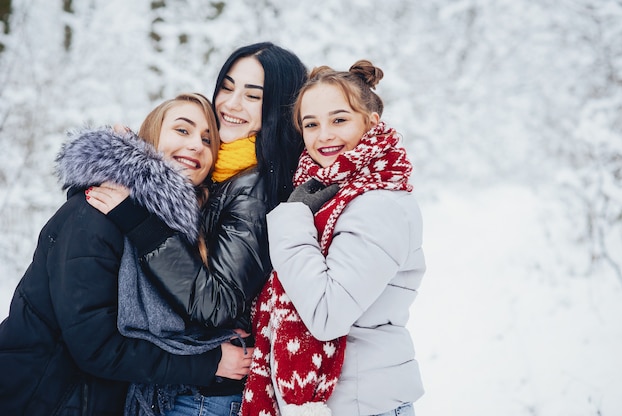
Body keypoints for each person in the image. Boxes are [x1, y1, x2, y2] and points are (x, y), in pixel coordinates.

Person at [85, 42, 308, 415]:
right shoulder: (224, 169)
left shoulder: (253, 185)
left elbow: (217, 303)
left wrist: (141, 225)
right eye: (227, 87)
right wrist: (131, 157)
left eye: (252, 96)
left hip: (204, 398)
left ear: (278, 108)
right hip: (187, 386)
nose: (230, 104)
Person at [0, 93, 251, 416]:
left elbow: (165, 315)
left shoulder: (162, 229)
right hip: (44, 396)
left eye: (207, 139)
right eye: (182, 130)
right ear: (150, 136)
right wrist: (207, 362)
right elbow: (95, 346)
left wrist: (211, 337)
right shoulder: (94, 212)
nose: (197, 145)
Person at [241, 60, 426, 416]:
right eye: (311, 124)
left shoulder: (379, 204)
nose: (324, 135)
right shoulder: (327, 195)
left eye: (339, 120)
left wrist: (292, 217)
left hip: (362, 403)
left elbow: (326, 313)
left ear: (371, 123)